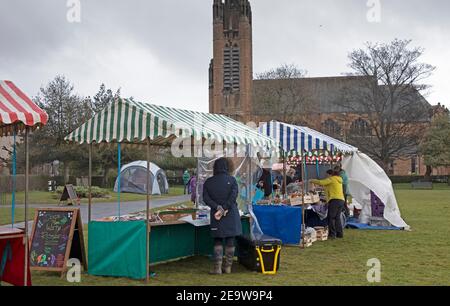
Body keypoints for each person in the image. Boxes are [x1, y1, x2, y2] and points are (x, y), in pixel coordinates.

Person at [203, 158, 242, 274]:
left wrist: (217, 208)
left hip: (216, 214)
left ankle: (217, 268)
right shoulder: (232, 180)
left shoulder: (209, 182)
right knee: (230, 239)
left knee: (218, 239)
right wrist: (224, 208)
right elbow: (233, 197)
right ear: (227, 167)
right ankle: (228, 267)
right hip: (230, 213)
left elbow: (206, 199)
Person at [310, 169, 345, 239]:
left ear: (330, 174)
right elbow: (326, 186)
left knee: (330, 217)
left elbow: (321, 182)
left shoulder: (331, 179)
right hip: (341, 200)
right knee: (337, 218)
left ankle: (332, 234)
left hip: (334, 200)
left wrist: (311, 180)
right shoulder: (339, 180)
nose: (326, 176)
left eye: (327, 175)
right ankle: (339, 234)